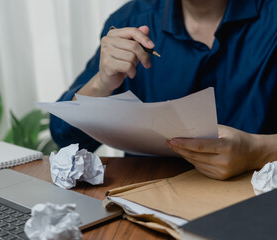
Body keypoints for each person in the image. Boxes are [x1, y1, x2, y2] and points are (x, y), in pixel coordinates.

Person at [50, 0, 277, 180]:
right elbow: (65, 135)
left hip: (258, 200)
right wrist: (101, 83)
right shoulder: (130, 20)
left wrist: (256, 151)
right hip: (147, 202)